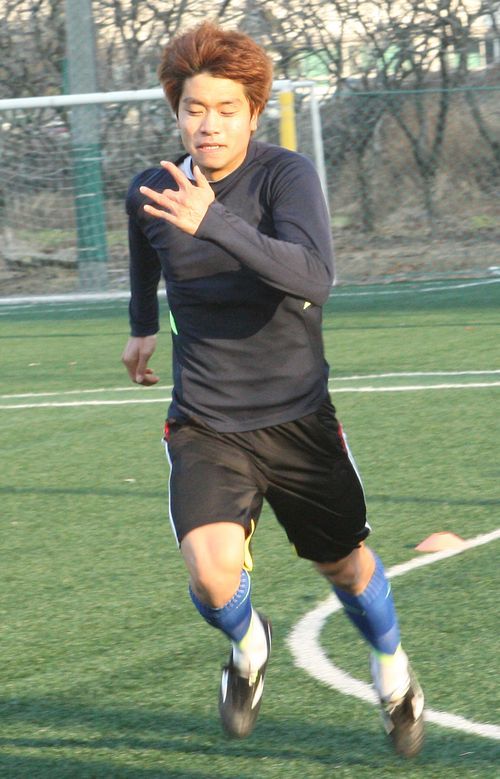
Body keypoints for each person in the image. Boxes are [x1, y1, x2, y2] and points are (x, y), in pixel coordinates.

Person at [121, 21, 424, 757]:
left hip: (297, 416)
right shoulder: (153, 190)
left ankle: (393, 669)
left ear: (253, 113)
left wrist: (216, 222)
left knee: (342, 564)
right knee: (210, 573)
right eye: (195, 108)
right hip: (206, 420)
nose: (209, 124)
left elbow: (313, 277)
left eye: (227, 109)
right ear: (176, 111)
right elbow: (145, 255)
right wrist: (141, 327)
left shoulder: (286, 176)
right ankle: (248, 645)